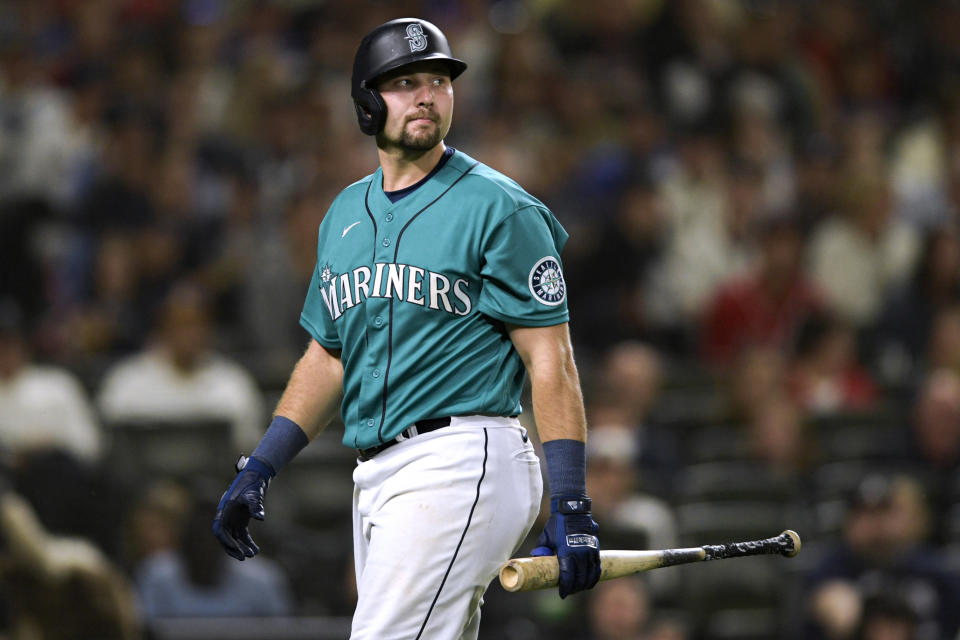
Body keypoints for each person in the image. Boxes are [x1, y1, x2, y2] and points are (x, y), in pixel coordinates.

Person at [211, 18, 601, 640]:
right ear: (366, 103)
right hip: (380, 476)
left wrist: (572, 500)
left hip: (461, 458)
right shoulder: (343, 212)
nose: (427, 95)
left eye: (440, 81)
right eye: (405, 83)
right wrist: (261, 465)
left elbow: (551, 362)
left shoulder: (501, 208)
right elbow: (328, 357)